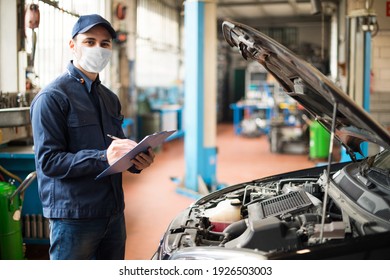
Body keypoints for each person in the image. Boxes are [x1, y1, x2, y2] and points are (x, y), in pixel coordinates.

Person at [30, 14, 155, 260]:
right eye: (89, 42)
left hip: (113, 212)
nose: (98, 48)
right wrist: (102, 157)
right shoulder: (52, 98)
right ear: (72, 45)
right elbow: (48, 162)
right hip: (75, 217)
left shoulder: (109, 98)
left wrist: (137, 161)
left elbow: (118, 149)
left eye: (105, 43)